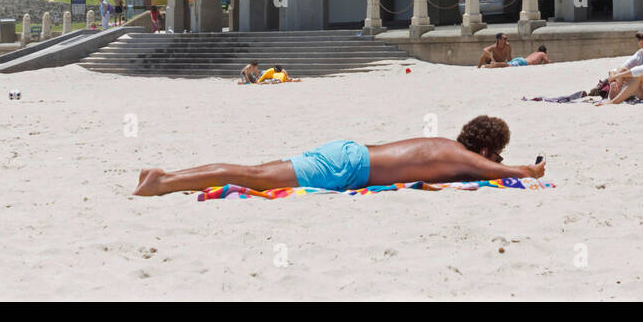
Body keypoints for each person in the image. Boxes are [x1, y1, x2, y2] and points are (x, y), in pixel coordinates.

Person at [133, 114, 544, 195]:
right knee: (251, 176)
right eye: (497, 153)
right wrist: (531, 168)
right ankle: (163, 182)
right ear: (488, 148)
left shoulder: (445, 146)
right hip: (347, 168)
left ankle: (164, 176)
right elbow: (509, 171)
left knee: (254, 170)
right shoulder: (462, 157)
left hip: (348, 152)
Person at [597, 27, 643, 105]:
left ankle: (614, 102)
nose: (641, 41)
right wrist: (614, 77)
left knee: (639, 74)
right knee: (622, 70)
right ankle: (611, 99)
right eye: (639, 38)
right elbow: (620, 68)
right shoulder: (640, 53)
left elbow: (641, 70)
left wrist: (617, 76)